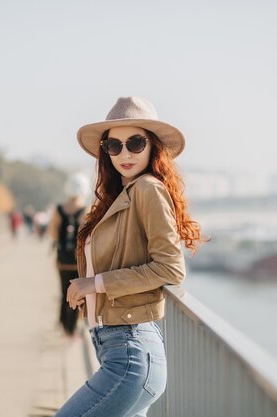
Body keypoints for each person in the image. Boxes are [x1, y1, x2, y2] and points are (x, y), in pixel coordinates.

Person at [55, 97, 204, 417]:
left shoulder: (148, 189)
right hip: (115, 347)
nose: (124, 154)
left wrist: (95, 284)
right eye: (114, 145)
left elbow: (171, 268)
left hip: (131, 350)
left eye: (136, 143)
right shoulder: (118, 197)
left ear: (153, 147)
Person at [48, 173, 90, 337]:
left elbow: (53, 233)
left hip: (62, 260)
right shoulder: (85, 210)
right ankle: (71, 329)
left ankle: (62, 323)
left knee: (63, 292)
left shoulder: (59, 210)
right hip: (79, 261)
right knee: (77, 294)